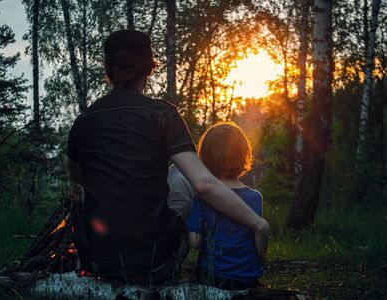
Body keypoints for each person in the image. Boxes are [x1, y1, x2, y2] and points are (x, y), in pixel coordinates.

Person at [66, 29, 269, 284]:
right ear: (149, 69)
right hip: (152, 261)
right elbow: (204, 184)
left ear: (108, 70)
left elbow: (76, 179)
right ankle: (225, 268)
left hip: (95, 260)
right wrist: (258, 224)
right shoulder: (162, 115)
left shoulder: (83, 122)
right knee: (183, 183)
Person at [187, 122, 264, 290]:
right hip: (246, 278)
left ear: (205, 157)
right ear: (244, 155)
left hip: (210, 277)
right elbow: (259, 241)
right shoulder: (255, 198)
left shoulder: (202, 197)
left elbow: (194, 242)